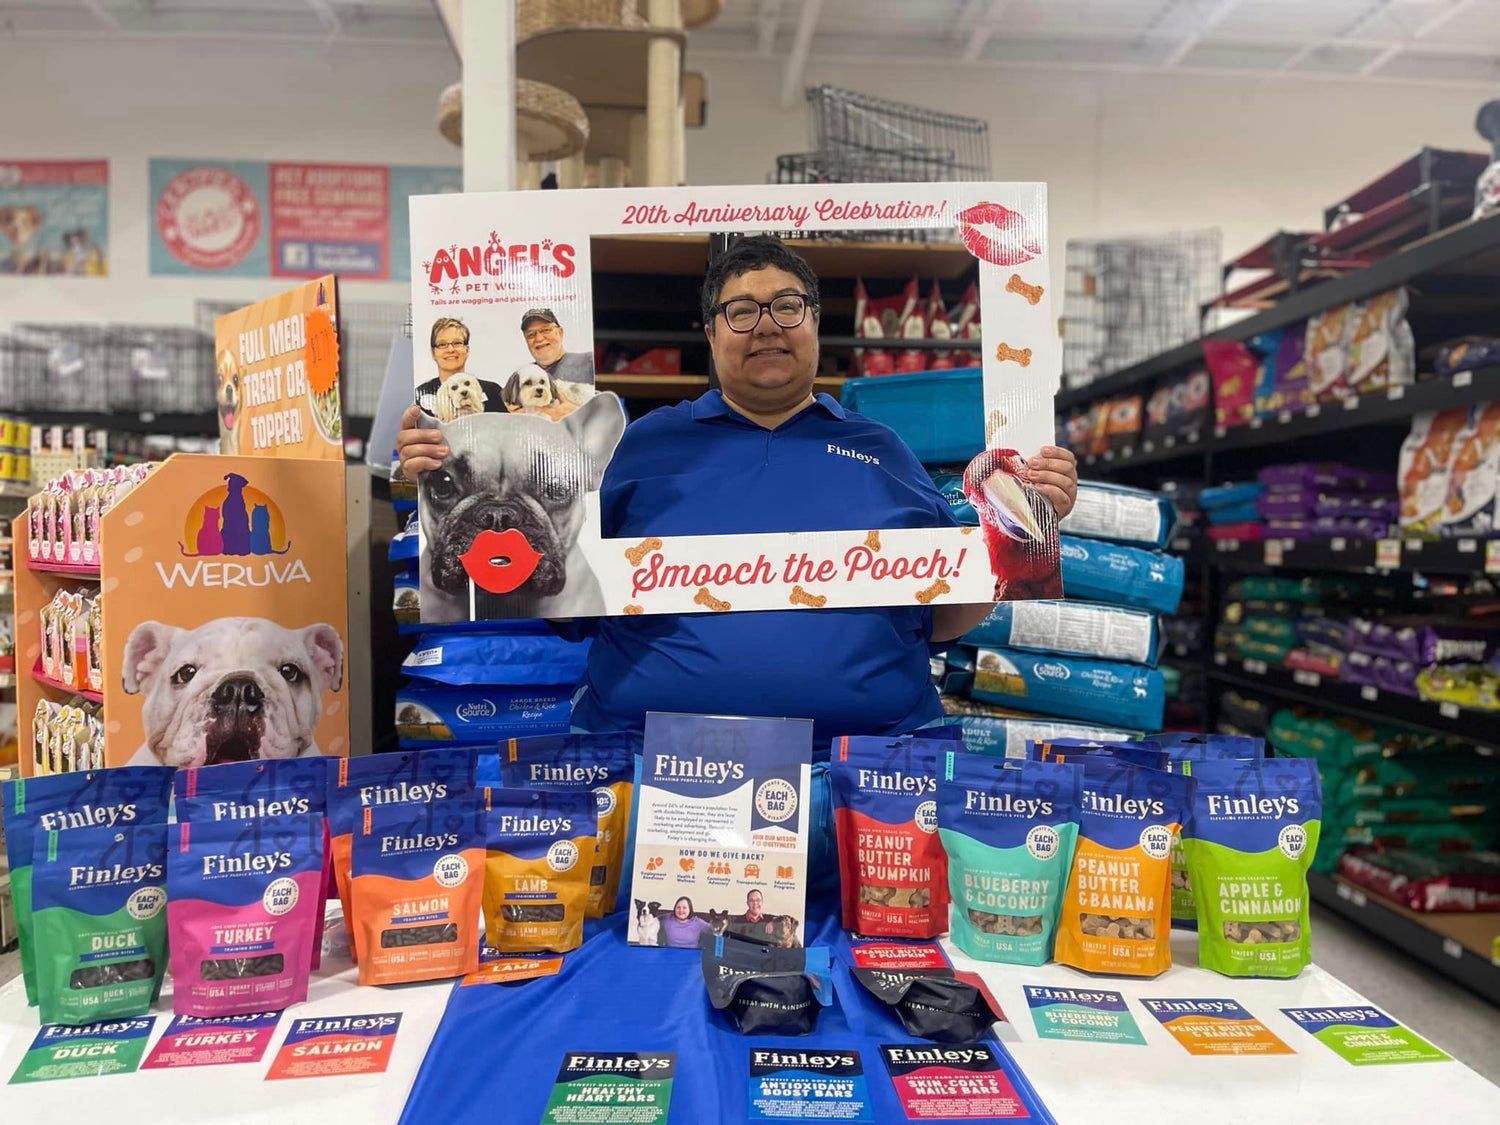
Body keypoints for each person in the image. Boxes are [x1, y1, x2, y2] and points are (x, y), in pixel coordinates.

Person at [397, 236, 1077, 872]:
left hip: (868, 790)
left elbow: (944, 614)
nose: (766, 324)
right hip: (659, 785)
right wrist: (444, 465)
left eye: (787, 305)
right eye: (741, 310)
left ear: (814, 321)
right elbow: (559, 600)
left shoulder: (883, 450)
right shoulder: (635, 450)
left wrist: (1029, 525)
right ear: (711, 333)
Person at [413, 317, 507, 416]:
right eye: (442, 344)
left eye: (457, 343)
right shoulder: (419, 396)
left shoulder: (492, 392)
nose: (450, 349)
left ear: (467, 350)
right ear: (433, 353)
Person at [517, 308, 596, 385]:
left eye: (546, 330)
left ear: (560, 332)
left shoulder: (589, 362)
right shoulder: (522, 377)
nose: (539, 339)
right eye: (531, 334)